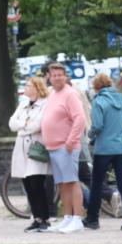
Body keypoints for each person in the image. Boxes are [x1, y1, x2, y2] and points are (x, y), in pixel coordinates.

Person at [86, 73, 122, 231]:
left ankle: (93, 220)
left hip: (103, 149)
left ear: (97, 87)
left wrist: (90, 135)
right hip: (121, 147)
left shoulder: (98, 101)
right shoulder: (121, 99)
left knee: (96, 184)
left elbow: (97, 125)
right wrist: (119, 133)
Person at [42, 63, 87, 233]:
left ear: (65, 76)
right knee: (62, 184)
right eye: (54, 75)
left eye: (61, 74)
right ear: (49, 77)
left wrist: (71, 141)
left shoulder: (70, 94)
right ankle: (67, 217)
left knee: (72, 181)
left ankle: (77, 219)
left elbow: (80, 118)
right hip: (53, 146)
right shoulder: (52, 94)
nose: (57, 78)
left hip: (66, 146)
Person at [10, 76, 52, 231]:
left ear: (36, 87)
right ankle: (36, 217)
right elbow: (11, 123)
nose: (25, 88)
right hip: (21, 148)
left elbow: (37, 125)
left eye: (28, 85)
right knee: (27, 184)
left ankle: (45, 218)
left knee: (37, 184)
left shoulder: (45, 104)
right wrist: (23, 125)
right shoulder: (23, 103)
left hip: (36, 148)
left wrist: (22, 127)